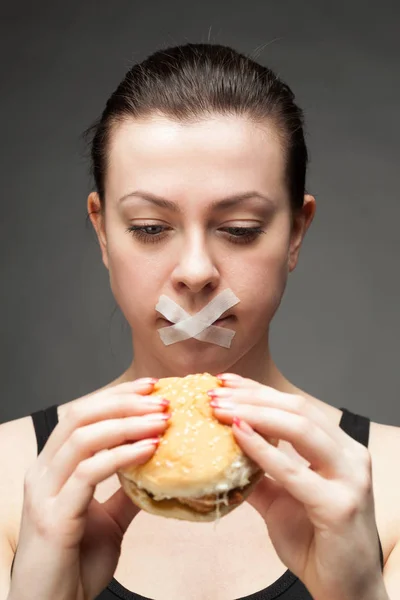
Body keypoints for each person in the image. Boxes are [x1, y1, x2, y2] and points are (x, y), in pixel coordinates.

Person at [0, 42, 399, 600]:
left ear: (296, 234)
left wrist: (357, 591)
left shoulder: (390, 484)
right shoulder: (8, 477)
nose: (194, 273)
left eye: (239, 227)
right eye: (148, 227)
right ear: (102, 232)